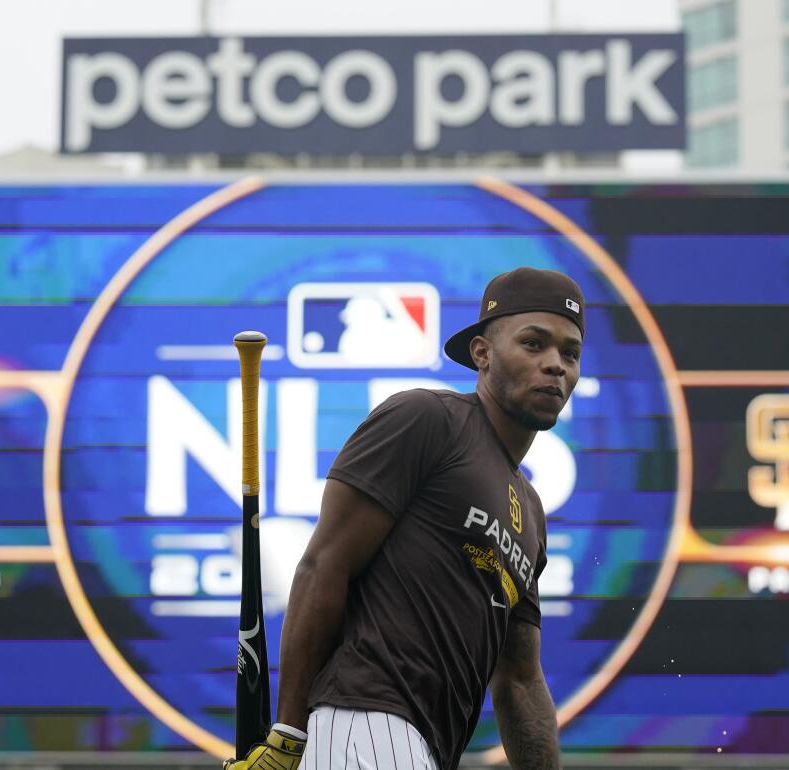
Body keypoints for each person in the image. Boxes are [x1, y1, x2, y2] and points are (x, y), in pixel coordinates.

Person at [225, 267, 584, 770]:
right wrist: (287, 735)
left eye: (570, 353)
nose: (555, 365)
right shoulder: (427, 419)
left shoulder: (532, 515)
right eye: (534, 344)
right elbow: (324, 565)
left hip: (426, 748)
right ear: (481, 354)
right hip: (364, 716)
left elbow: (520, 679)